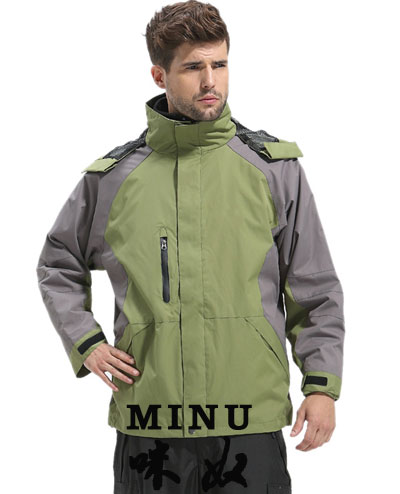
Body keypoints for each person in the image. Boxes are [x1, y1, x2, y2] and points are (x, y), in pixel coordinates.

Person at [36, 1, 345, 492]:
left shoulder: (274, 170)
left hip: (248, 417)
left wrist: (321, 385)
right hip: (150, 420)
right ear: (159, 75)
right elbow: (58, 263)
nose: (210, 82)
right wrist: (86, 343)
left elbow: (315, 287)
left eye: (219, 64)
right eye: (193, 68)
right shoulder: (112, 180)